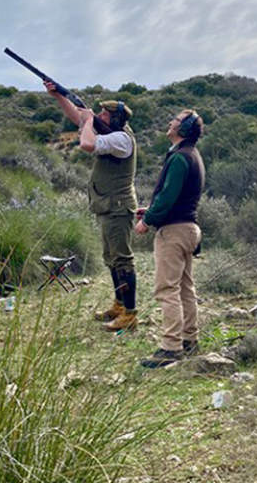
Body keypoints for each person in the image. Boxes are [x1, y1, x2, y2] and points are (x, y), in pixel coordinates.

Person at [44, 80, 139, 331]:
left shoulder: (121, 139)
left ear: (115, 119)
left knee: (122, 260)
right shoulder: (113, 133)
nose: (99, 116)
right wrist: (58, 96)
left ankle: (129, 313)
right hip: (109, 206)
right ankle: (119, 305)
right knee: (111, 259)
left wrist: (88, 122)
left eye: (105, 114)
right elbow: (79, 118)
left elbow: (86, 143)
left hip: (118, 207)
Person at [135, 109, 205, 368]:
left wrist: (147, 220)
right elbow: (173, 197)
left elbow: (167, 197)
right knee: (186, 288)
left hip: (173, 232)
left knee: (167, 289)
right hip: (189, 229)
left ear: (182, 129)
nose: (169, 122)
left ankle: (171, 347)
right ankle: (190, 339)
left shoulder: (179, 157)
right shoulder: (193, 155)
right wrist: (151, 210)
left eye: (174, 121)